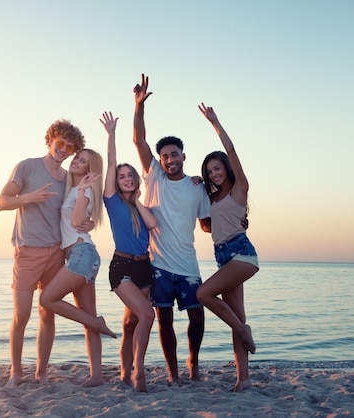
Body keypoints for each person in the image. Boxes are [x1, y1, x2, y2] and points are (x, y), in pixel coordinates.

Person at [0, 119, 91, 387]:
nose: (64, 149)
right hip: (27, 251)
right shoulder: (27, 167)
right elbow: (1, 202)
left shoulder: (68, 178)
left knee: (46, 312)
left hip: (56, 253)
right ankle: (16, 372)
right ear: (50, 139)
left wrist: (87, 221)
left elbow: (75, 210)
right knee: (22, 314)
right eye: (60, 143)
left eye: (69, 147)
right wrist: (28, 198)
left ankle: (41, 373)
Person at [132, 74, 211, 384]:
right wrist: (138, 106)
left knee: (197, 315)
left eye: (174, 154)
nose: (168, 159)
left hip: (188, 264)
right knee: (164, 321)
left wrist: (236, 220)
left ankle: (193, 360)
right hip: (159, 264)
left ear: (183, 156)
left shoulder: (197, 188)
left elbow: (206, 224)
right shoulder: (154, 176)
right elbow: (138, 139)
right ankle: (173, 372)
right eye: (164, 156)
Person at [39, 147, 116, 388]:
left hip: (81, 254)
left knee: (47, 299)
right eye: (77, 158)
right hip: (82, 255)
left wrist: (82, 190)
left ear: (89, 170)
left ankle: (96, 324)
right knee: (87, 315)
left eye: (83, 162)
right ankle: (96, 376)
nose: (77, 162)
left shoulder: (84, 192)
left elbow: (74, 221)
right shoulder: (74, 190)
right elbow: (79, 221)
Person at [196, 102, 259, 392]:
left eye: (217, 168)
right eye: (209, 171)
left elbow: (232, 152)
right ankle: (243, 379)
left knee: (203, 293)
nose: (213, 174)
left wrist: (215, 122)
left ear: (226, 169)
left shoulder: (239, 189)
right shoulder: (213, 199)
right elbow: (207, 227)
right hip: (224, 259)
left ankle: (242, 330)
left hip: (242, 255)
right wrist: (197, 185)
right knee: (236, 316)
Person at [101, 111, 157, 392]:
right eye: (121, 176)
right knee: (148, 315)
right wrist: (111, 135)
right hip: (122, 268)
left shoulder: (139, 205)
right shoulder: (111, 201)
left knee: (130, 323)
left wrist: (138, 200)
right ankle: (139, 371)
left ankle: (124, 371)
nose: (124, 178)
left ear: (135, 180)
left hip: (144, 268)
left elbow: (153, 223)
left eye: (129, 175)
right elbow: (111, 163)